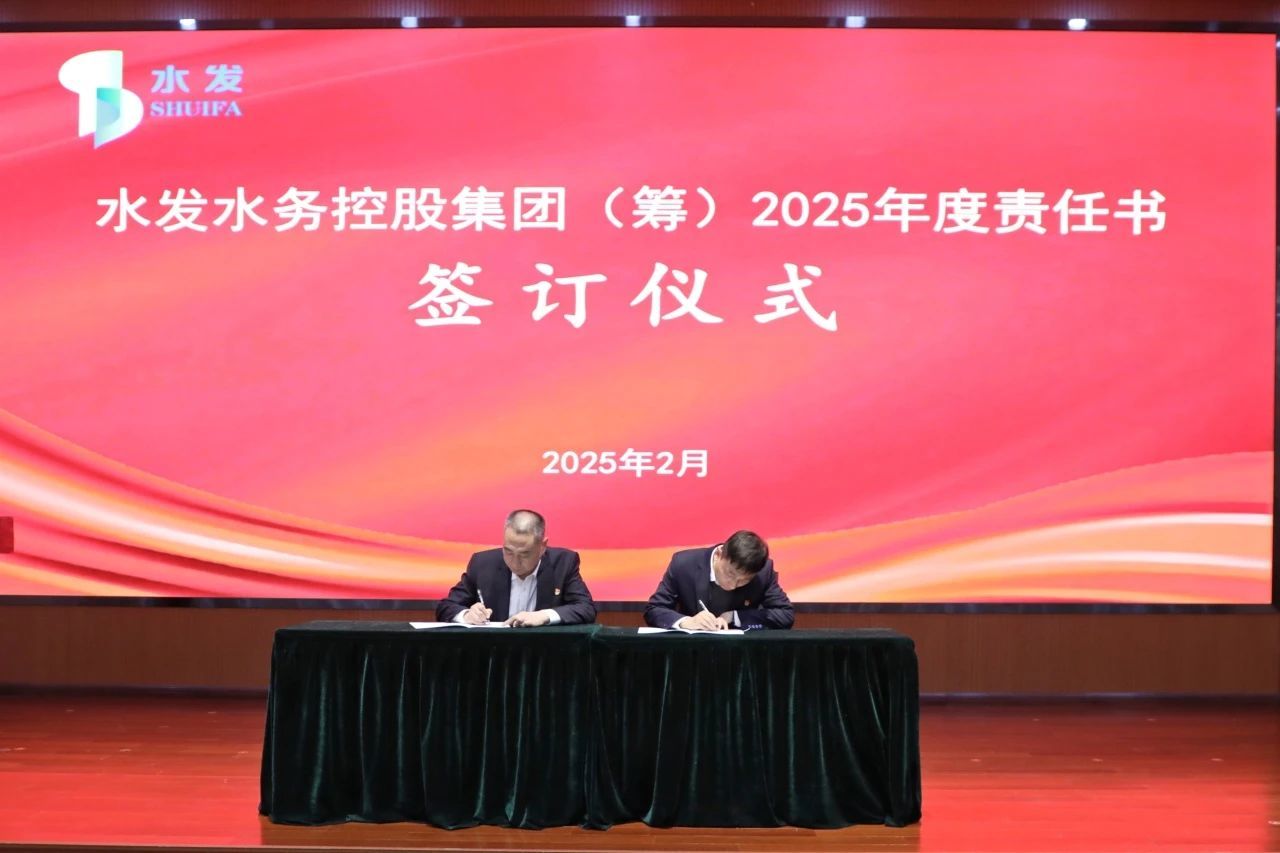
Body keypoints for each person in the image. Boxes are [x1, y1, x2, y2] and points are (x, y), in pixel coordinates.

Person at [436, 509, 596, 627]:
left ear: (542, 546)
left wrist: (544, 616)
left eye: (524, 554)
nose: (515, 561)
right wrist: (467, 615)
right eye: (508, 551)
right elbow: (446, 607)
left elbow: (586, 608)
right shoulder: (483, 563)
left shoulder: (563, 563)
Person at [643, 530, 794, 631]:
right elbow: (654, 609)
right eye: (730, 574)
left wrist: (734, 617)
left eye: (743, 581)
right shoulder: (684, 564)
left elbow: (785, 615)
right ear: (719, 555)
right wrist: (686, 621)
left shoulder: (763, 572)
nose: (733, 585)